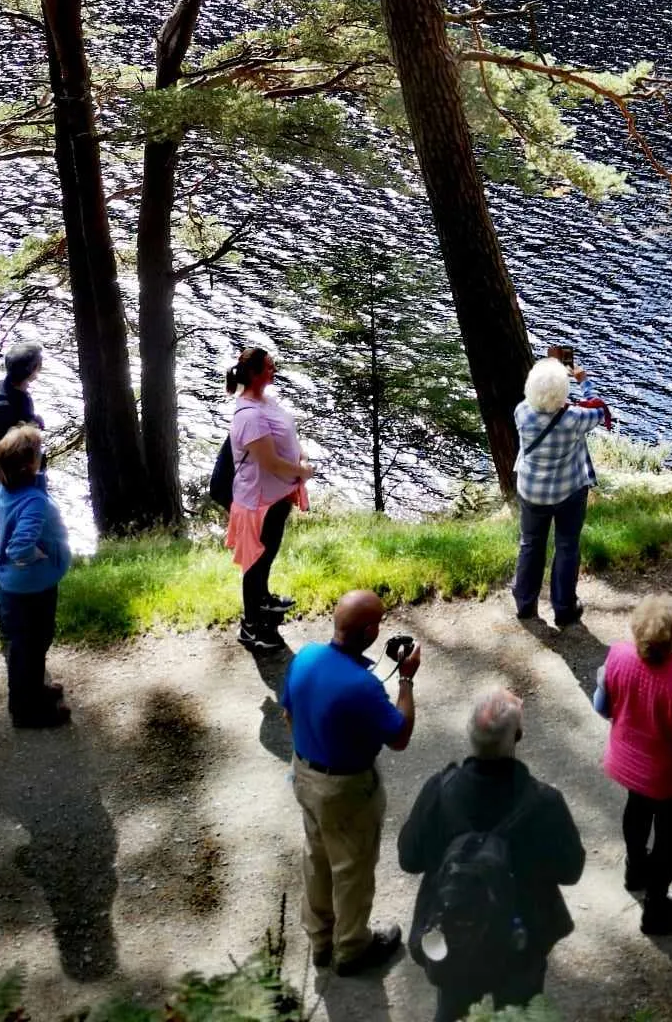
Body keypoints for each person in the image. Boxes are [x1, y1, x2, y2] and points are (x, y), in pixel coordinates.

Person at [399, 687, 586, 1019]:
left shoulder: (439, 792)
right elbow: (571, 870)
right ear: (518, 735)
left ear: (470, 735)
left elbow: (409, 858)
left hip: (454, 932)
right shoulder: (544, 803)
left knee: (453, 1007)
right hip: (520, 940)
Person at [281, 588, 420, 975]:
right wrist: (406, 679)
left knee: (317, 857)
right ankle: (352, 948)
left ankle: (320, 940)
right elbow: (400, 736)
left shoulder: (305, 658)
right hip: (346, 790)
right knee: (352, 868)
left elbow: (288, 713)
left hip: (305, 775)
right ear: (370, 632)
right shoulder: (363, 688)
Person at [594, 591, 672, 936]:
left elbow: (602, 706)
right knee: (669, 838)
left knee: (636, 812)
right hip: (670, 777)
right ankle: (656, 907)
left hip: (631, 766)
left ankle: (634, 869)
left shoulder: (616, 657)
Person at [510, 352, 611, 628]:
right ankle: (564, 609)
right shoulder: (575, 419)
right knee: (567, 546)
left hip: (531, 492)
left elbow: (541, 400)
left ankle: (525, 603)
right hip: (569, 492)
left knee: (531, 544)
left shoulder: (522, 413)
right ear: (562, 392)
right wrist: (583, 381)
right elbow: (600, 411)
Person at [225, 345, 313, 655]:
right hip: (258, 503)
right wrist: (302, 470)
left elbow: (287, 436)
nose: (273, 370)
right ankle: (251, 628)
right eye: (268, 367)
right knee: (255, 563)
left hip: (277, 497)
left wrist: (299, 455)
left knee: (268, 555)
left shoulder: (267, 400)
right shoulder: (248, 415)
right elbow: (270, 463)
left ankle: (264, 602)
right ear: (253, 374)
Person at [0, 423, 71, 728]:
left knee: (25, 644)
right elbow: (20, 547)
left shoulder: (6, 489)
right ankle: (27, 712)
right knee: (32, 643)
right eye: (39, 453)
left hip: (12, 585)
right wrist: (35, 556)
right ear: (29, 464)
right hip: (31, 587)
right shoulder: (33, 501)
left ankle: (34, 690)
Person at [0, 335, 46, 447]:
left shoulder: (11, 387)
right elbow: (7, 452)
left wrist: (33, 421)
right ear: (32, 370)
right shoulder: (4, 409)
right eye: (39, 364)